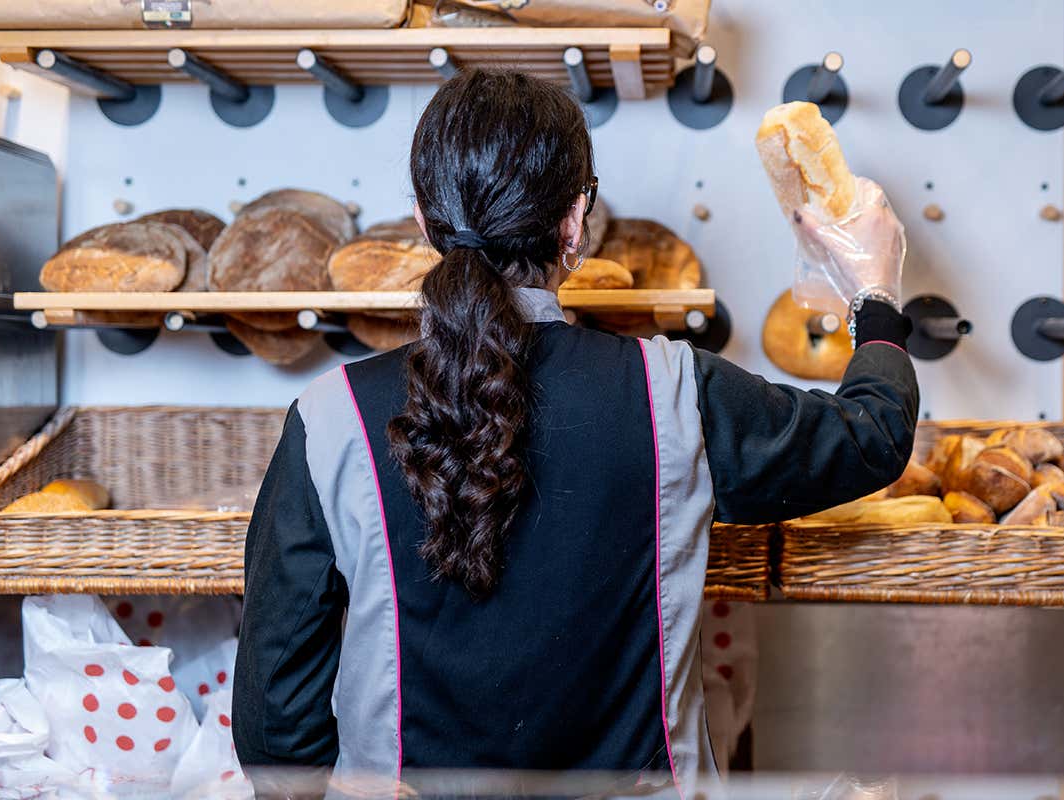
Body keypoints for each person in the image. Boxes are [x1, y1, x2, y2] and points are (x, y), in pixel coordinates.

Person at [233, 69, 917, 796]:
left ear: (424, 225)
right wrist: (874, 290)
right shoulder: (675, 393)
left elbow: (275, 728)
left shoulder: (330, 417)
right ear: (574, 224)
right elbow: (872, 434)